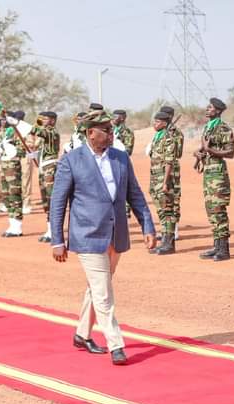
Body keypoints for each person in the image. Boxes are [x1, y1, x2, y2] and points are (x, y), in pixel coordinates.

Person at [49, 110, 156, 366]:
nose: (111, 134)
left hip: (116, 233)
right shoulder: (71, 160)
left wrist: (148, 226)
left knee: (98, 287)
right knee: (104, 292)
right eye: (106, 130)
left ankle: (82, 334)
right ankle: (116, 344)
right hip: (87, 235)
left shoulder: (120, 158)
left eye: (111, 129)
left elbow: (135, 194)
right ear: (90, 133)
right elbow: (58, 202)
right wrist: (57, 239)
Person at [195, 98, 234, 262]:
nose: (207, 109)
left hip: (218, 174)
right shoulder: (208, 127)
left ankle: (224, 249)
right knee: (211, 211)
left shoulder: (223, 128)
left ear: (218, 111)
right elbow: (205, 149)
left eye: (210, 107)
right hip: (209, 173)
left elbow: (230, 152)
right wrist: (199, 153)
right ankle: (217, 246)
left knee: (219, 211)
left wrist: (209, 149)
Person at [149, 111, 177, 254]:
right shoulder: (157, 137)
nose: (155, 124)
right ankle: (164, 241)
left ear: (165, 123)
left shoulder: (168, 138)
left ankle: (169, 243)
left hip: (163, 179)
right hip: (155, 178)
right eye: (155, 121)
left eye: (158, 121)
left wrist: (166, 183)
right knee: (161, 211)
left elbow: (169, 162)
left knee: (167, 211)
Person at [31, 111, 60, 241]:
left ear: (53, 121)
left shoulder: (52, 133)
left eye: (46, 119)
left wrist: (18, 123)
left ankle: (54, 232)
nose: (43, 121)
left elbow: (36, 131)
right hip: (43, 168)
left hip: (50, 168)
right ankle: (49, 230)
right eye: (42, 119)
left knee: (52, 199)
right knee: (45, 201)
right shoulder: (44, 136)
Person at [0, 110, 26, 236]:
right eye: (2, 120)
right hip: (4, 165)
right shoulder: (5, 133)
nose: (3, 122)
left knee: (14, 194)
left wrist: (11, 149)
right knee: (5, 195)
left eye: (5, 119)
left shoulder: (18, 132)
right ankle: (11, 224)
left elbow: (22, 151)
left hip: (12, 165)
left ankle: (17, 225)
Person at [160, 105, 184, 240]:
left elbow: (178, 153)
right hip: (161, 169)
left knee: (173, 198)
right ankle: (166, 229)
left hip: (172, 169)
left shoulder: (176, 133)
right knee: (163, 199)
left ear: (168, 117)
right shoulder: (162, 131)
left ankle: (174, 230)